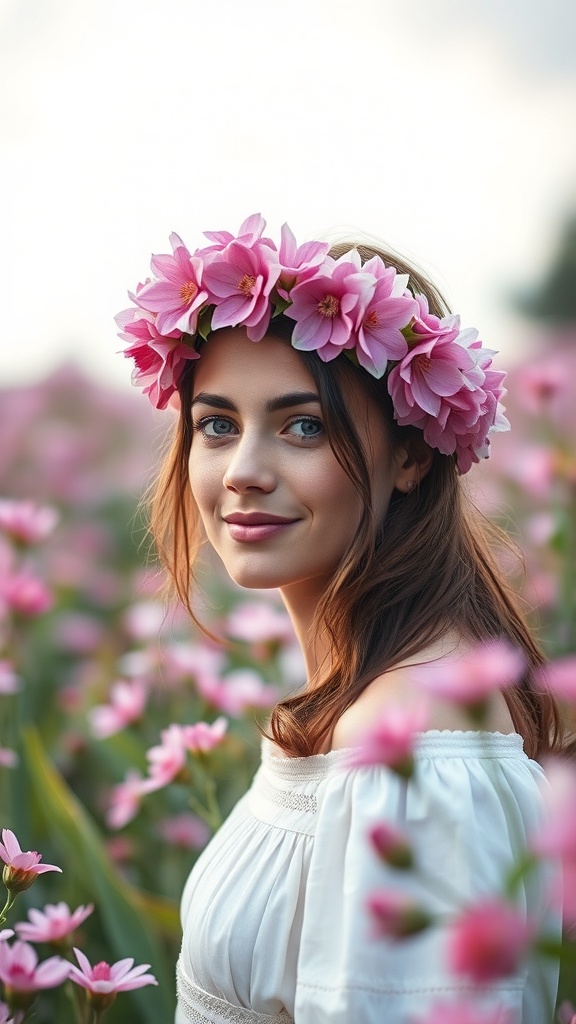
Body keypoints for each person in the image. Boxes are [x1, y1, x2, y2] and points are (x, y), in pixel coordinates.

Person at [117, 215, 562, 1024]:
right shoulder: (369, 699)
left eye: (303, 426)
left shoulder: (417, 754)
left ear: (411, 455)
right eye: (217, 424)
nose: (244, 472)